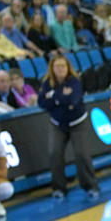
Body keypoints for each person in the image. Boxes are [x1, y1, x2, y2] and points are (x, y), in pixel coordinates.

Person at [41, 54, 99, 200]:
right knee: (55, 154)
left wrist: (53, 97)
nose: (60, 69)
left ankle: (91, 186)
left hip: (77, 123)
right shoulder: (47, 83)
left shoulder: (75, 81)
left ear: (68, 68)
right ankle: (59, 188)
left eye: (62, 66)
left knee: (81, 154)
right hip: (57, 124)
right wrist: (61, 97)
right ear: (52, 69)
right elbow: (42, 103)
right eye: (57, 66)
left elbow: (73, 99)